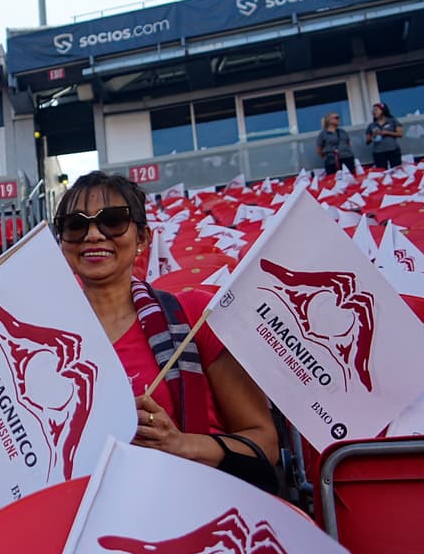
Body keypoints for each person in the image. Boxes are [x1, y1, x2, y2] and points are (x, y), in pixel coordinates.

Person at [54, 172, 280, 492]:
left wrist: (180, 444)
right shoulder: (48, 340)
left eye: (113, 220)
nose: (93, 235)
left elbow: (264, 443)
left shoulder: (194, 317)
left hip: (195, 501)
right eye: (75, 225)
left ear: (143, 238)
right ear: (62, 241)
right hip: (84, 507)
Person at [365, 101, 404, 169]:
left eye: (376, 110)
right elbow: (367, 142)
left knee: (397, 171)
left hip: (393, 150)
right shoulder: (371, 125)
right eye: (373, 110)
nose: (374, 112)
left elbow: (400, 134)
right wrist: (373, 135)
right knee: (381, 172)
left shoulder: (392, 120)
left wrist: (387, 132)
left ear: (382, 110)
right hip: (378, 153)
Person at [315, 111, 355, 176]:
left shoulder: (343, 132)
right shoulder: (323, 134)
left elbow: (348, 143)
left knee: (350, 178)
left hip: (347, 159)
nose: (339, 119)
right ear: (329, 120)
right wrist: (328, 156)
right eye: (336, 118)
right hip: (332, 161)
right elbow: (319, 150)